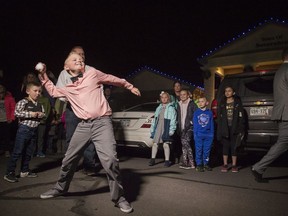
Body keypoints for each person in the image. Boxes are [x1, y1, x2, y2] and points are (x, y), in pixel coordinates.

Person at [36, 52, 141, 213]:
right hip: (83, 126)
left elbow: (111, 78)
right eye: (74, 59)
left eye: (81, 59)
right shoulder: (68, 88)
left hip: (102, 123)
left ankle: (119, 197)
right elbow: (53, 91)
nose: (79, 60)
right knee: (69, 159)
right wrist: (43, 75)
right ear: (66, 67)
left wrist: (129, 85)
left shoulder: (92, 74)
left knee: (111, 161)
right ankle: (60, 188)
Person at [56, 46, 98, 174]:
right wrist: (72, 97)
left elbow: (98, 87)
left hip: (88, 109)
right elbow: (59, 91)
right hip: (72, 109)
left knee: (89, 138)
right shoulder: (65, 73)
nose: (81, 56)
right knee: (71, 138)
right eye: (78, 54)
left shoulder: (90, 70)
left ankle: (89, 165)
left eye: (83, 54)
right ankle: (70, 165)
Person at [251, 48, 288, 182]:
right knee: (283, 142)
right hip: (286, 113)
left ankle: (259, 167)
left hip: (283, 112)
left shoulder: (279, 71)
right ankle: (258, 167)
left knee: (283, 142)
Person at [4, 81, 45, 183]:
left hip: (34, 130)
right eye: (35, 91)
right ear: (28, 91)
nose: (37, 93)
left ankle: (24, 170)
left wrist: (41, 114)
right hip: (24, 130)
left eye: (39, 91)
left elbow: (44, 114)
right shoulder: (23, 102)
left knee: (28, 152)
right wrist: (30, 114)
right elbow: (17, 113)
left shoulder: (39, 104)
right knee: (17, 152)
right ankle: (9, 172)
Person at [217, 86, 245, 173]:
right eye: (226, 91)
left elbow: (241, 117)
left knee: (234, 147)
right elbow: (219, 117)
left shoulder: (237, 103)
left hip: (234, 128)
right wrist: (220, 128)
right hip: (225, 128)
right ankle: (225, 164)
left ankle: (234, 165)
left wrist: (240, 128)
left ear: (233, 92)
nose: (227, 92)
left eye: (229, 91)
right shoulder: (222, 103)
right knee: (225, 146)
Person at [148, 91, 177, 167]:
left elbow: (173, 120)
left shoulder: (171, 108)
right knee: (155, 143)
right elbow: (155, 119)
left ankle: (167, 160)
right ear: (161, 99)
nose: (164, 99)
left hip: (166, 126)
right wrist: (152, 129)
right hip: (158, 126)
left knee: (165, 144)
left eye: (165, 97)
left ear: (168, 98)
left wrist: (171, 130)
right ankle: (152, 159)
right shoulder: (159, 108)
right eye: (162, 97)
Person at [177, 89, 197, 169]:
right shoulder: (179, 104)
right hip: (182, 127)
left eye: (184, 94)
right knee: (184, 145)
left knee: (186, 143)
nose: (182, 96)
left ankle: (192, 163)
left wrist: (192, 123)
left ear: (188, 95)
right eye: (181, 94)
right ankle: (185, 162)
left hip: (190, 127)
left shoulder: (192, 104)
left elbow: (196, 114)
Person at [193, 97, 214, 172]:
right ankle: (199, 164)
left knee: (206, 150)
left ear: (207, 103)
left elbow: (212, 124)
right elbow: (195, 124)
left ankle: (206, 164)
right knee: (199, 150)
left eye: (202, 101)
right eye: (199, 102)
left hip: (208, 135)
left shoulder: (210, 112)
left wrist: (212, 134)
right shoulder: (196, 112)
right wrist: (195, 134)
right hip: (199, 134)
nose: (200, 103)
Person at [0, 84, 16, 157]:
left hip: (6, 120)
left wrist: (12, 118)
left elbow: (13, 109)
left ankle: (7, 150)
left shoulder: (9, 98)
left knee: (7, 136)